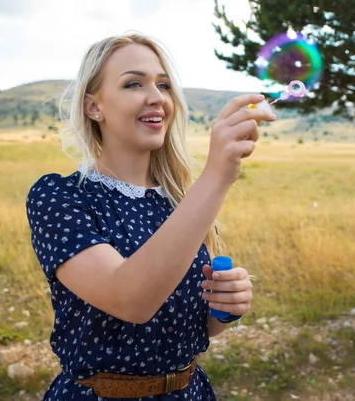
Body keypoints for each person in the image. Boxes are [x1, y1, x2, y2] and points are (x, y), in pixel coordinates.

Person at [25, 33, 276, 400]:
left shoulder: (178, 201)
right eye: (133, 84)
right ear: (94, 107)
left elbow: (185, 326)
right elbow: (131, 300)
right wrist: (217, 175)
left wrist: (225, 309)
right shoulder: (60, 197)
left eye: (163, 85)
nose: (157, 97)